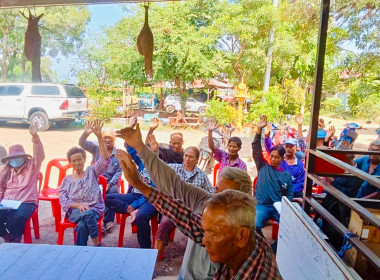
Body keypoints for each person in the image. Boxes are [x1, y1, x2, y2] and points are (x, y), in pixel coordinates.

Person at [115, 123, 255, 280]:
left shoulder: (246, 240)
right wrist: (140, 146)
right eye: (217, 190)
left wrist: (139, 183)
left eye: (227, 197)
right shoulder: (207, 200)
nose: (218, 198)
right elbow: (173, 183)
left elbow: (182, 216)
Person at [149, 137, 213, 259]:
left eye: (191, 157)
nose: (187, 159)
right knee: (164, 225)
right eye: (186, 156)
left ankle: (199, 260)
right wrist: (154, 152)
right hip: (175, 209)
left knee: (205, 228)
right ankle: (155, 259)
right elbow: (158, 166)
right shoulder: (174, 168)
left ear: (197, 160)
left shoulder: (202, 175)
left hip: (194, 211)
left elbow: (210, 193)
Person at [59, 120, 110, 246]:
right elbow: (63, 199)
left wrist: (99, 137)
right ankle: (97, 244)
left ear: (84, 159)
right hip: (76, 211)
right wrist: (78, 205)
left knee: (82, 226)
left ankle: (79, 251)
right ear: (71, 162)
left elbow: (105, 159)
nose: (77, 163)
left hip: (94, 208)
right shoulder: (67, 180)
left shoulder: (91, 172)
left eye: (79, 160)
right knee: (86, 214)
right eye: (74, 161)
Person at [0, 124, 45, 243]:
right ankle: (6, 236)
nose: (15, 160)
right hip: (7, 203)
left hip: (26, 202)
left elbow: (40, 156)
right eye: (13, 158)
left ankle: (16, 238)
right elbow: (0, 189)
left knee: (15, 217)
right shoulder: (5, 171)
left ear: (24, 157)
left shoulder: (32, 167)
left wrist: (35, 137)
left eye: (18, 157)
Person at [253, 115, 293, 236]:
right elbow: (256, 149)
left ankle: (275, 249)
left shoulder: (286, 175)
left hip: (278, 208)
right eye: (272, 156)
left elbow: (289, 194)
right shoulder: (263, 166)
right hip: (262, 206)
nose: (273, 159)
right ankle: (263, 243)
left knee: (290, 228)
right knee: (254, 224)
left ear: (282, 158)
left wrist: (283, 206)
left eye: (277, 157)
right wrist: (259, 130)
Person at [79, 122, 122, 233]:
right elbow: (82, 143)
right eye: (105, 138)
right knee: (91, 192)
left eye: (110, 138)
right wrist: (85, 134)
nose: (107, 140)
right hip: (96, 180)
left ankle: (107, 221)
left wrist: (109, 184)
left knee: (112, 193)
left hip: (110, 182)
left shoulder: (119, 154)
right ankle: (96, 220)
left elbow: (118, 172)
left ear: (115, 139)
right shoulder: (96, 148)